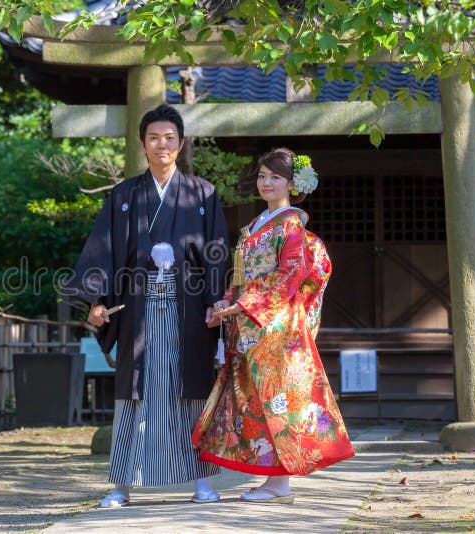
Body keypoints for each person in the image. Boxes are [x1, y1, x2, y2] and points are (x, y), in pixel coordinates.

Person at [65, 104, 230, 507]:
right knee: (135, 394)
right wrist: (97, 299)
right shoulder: (124, 195)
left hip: (187, 309)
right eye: (154, 138)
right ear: (142, 144)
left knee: (189, 391)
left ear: (181, 143)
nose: (162, 145)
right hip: (137, 308)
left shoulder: (202, 193)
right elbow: (104, 249)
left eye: (169, 138)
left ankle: (202, 481)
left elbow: (216, 252)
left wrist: (215, 301)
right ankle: (122, 484)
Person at [192, 147, 355, 503]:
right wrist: (224, 303)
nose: (266, 182)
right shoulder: (254, 225)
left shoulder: (291, 224)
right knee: (256, 402)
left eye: (275, 177)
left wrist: (241, 304)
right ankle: (272, 481)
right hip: (249, 326)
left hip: (275, 328)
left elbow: (289, 277)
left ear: (292, 185)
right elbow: (239, 276)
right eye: (263, 176)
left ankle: (280, 484)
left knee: (276, 402)